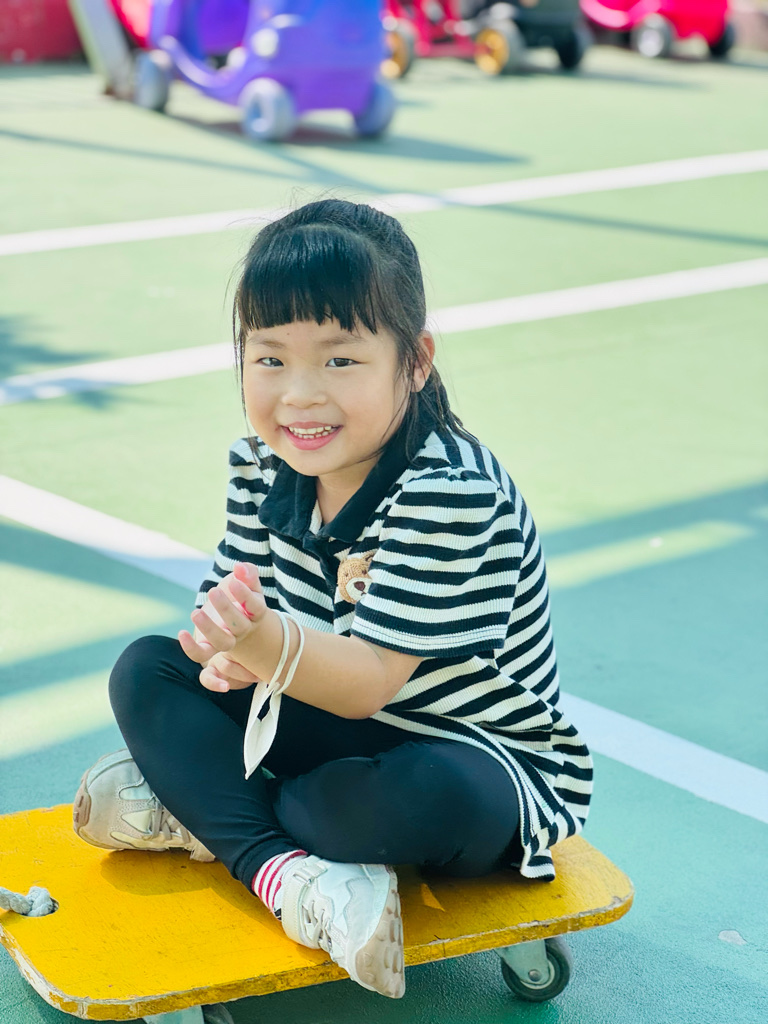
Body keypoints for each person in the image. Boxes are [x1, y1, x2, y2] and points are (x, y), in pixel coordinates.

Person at [72, 199, 593, 1000]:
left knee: (368, 807)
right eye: (269, 359)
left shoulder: (451, 492)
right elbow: (231, 606)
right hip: (324, 718)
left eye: (340, 360)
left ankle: (208, 810)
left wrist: (258, 646)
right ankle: (285, 876)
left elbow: (368, 682)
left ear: (414, 363)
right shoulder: (261, 465)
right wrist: (220, 654)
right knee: (147, 669)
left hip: (469, 755)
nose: (300, 395)